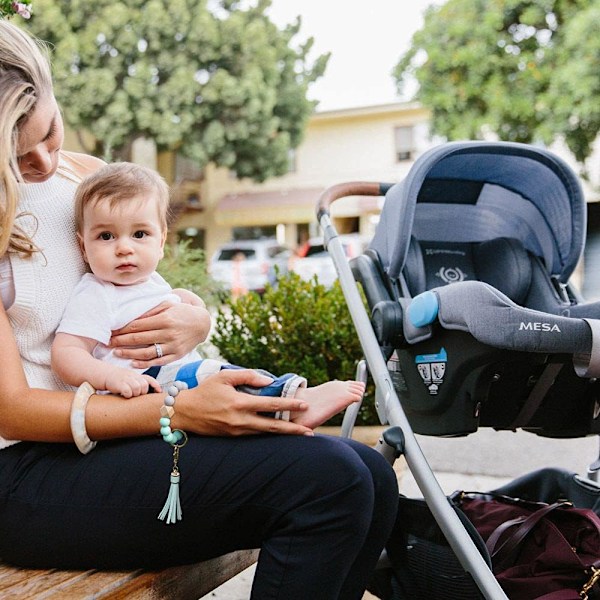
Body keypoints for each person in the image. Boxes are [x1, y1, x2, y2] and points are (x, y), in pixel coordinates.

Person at [0, 19, 398, 600]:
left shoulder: (83, 176)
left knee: (372, 477)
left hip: (118, 428)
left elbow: (150, 278)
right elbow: (11, 412)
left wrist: (195, 315)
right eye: (15, 152)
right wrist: (178, 410)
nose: (41, 160)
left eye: (50, 131)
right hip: (25, 473)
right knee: (329, 483)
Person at [51, 161, 365, 427]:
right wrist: (109, 377)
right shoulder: (96, 292)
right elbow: (66, 354)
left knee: (219, 373)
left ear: (161, 242)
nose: (124, 247)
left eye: (139, 234)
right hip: (140, 391)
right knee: (215, 374)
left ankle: (280, 406)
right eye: (106, 235)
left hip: (175, 380)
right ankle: (291, 405)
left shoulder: (152, 283)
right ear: (83, 246)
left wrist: (188, 300)